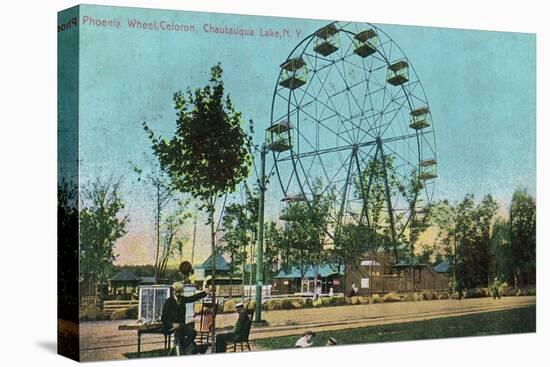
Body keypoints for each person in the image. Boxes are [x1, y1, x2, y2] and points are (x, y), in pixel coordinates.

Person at [162, 281, 209, 355]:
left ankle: (183, 348)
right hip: (171, 325)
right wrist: (172, 324)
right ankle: (183, 350)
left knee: (193, 332)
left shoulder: (182, 299)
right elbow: (164, 317)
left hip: (181, 326)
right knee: (188, 332)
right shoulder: (169, 301)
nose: (179, 294)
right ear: (174, 291)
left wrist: (204, 293)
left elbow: (192, 298)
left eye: (181, 292)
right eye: (178, 292)